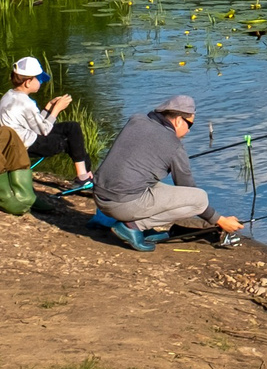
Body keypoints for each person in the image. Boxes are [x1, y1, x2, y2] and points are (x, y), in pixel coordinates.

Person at [93, 93, 241, 252]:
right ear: (178, 120)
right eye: (189, 125)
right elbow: (189, 190)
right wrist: (220, 220)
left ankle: (126, 223)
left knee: (152, 183)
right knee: (200, 198)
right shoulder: (175, 146)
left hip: (99, 197)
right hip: (120, 205)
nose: (189, 131)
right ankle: (133, 226)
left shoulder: (136, 120)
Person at [0, 57, 93, 185]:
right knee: (69, 140)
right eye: (39, 79)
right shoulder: (26, 103)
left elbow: (33, 125)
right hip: (25, 145)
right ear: (28, 82)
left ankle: (84, 174)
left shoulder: (9, 95)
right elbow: (44, 131)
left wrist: (48, 108)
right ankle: (84, 176)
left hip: (16, 140)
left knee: (72, 127)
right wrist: (57, 110)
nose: (41, 83)